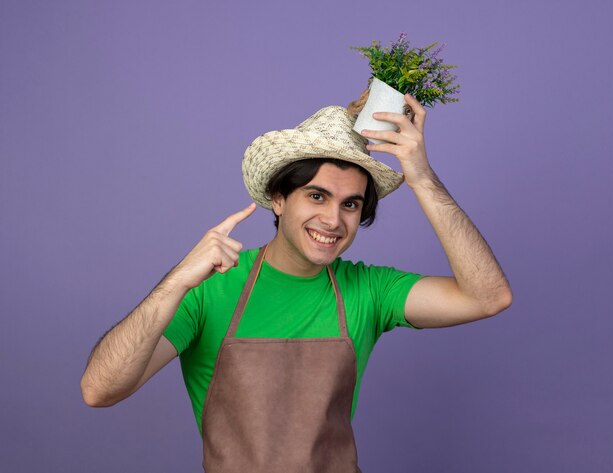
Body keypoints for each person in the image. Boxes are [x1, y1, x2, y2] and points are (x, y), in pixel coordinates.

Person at [81, 94, 512, 472]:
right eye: (317, 196)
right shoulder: (211, 290)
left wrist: (421, 177)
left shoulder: (369, 291)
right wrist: (175, 283)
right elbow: (100, 390)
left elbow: (488, 297)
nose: (332, 220)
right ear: (279, 197)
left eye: (350, 205)